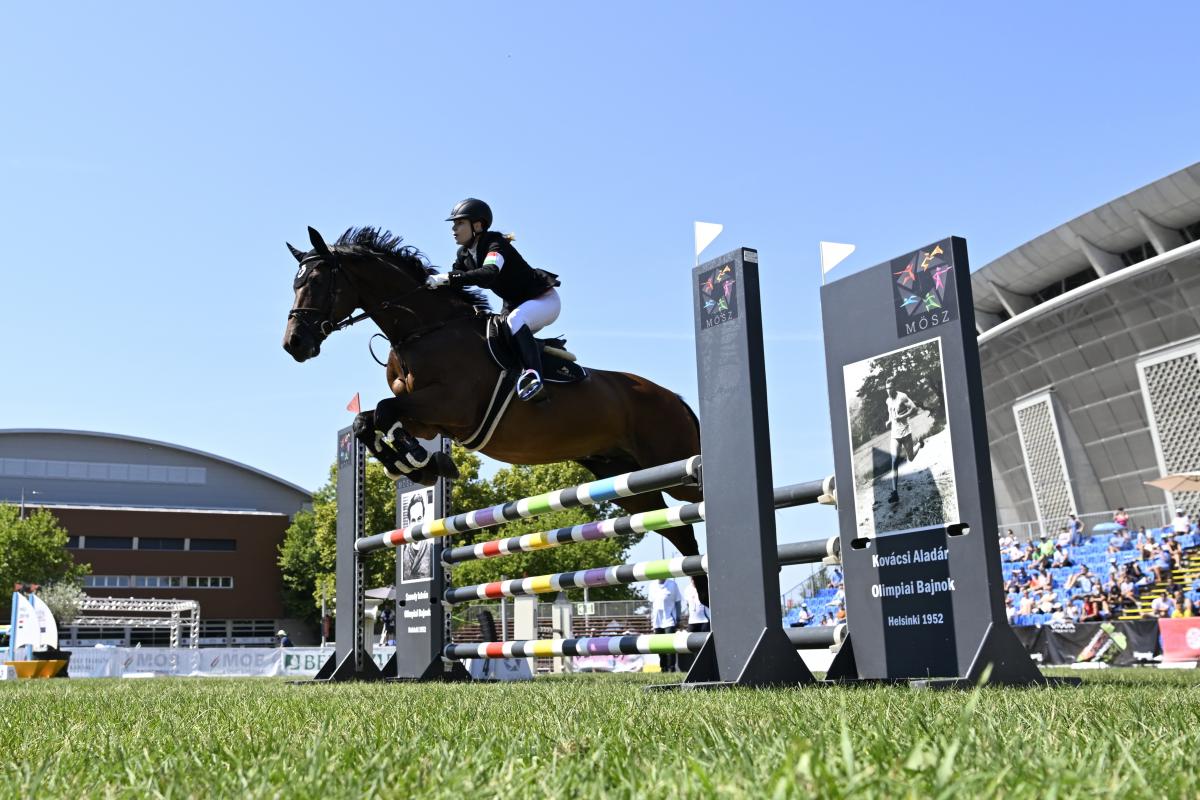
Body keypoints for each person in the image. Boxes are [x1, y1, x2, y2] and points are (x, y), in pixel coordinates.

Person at [427, 198, 561, 402]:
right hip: (515, 305)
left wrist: (447, 278)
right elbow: (455, 284)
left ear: (478, 225)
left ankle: (535, 377)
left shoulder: (495, 243)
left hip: (544, 300)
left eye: (459, 223)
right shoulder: (464, 254)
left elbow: (489, 272)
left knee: (514, 321)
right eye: (454, 224)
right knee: (492, 335)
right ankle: (537, 353)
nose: (454, 229)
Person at [884, 376, 922, 505]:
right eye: (886, 388)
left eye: (890, 388)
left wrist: (903, 417)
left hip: (906, 433)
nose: (888, 390)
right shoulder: (888, 401)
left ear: (894, 387)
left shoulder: (902, 397)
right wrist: (889, 421)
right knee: (894, 461)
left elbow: (914, 408)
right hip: (895, 435)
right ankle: (895, 493)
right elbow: (891, 414)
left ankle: (919, 445)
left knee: (910, 457)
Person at [647, 577, 683, 673]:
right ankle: (663, 668)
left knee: (670, 646)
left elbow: (678, 602)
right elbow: (651, 604)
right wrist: (651, 620)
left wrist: (678, 618)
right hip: (657, 622)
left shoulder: (672, 585)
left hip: (669, 620)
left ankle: (671, 668)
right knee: (659, 646)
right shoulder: (652, 585)